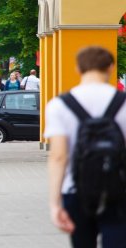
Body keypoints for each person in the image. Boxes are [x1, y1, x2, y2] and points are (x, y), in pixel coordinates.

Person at [45, 46, 126, 248]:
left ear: (78, 69)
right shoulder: (124, 103)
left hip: (76, 190)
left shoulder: (59, 105)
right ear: (110, 67)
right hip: (119, 189)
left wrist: (55, 203)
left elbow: (58, 156)